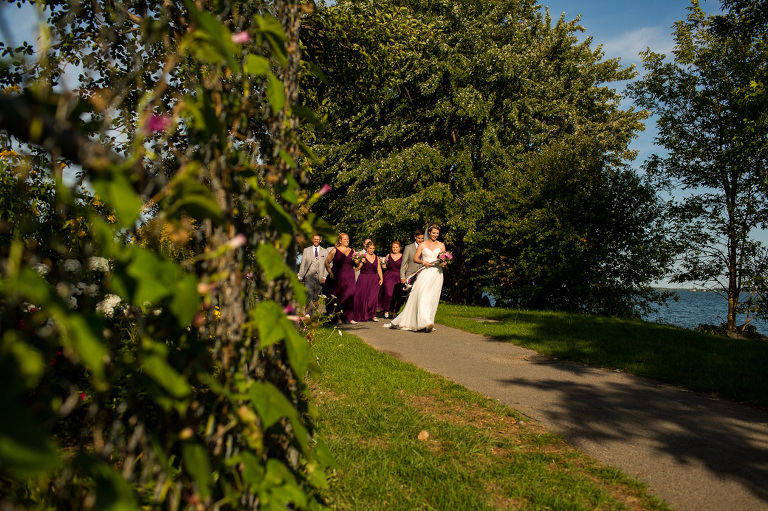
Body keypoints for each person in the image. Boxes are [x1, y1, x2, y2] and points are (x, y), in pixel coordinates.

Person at [385, 224, 446, 332]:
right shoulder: (423, 245)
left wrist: (445, 262)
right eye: (433, 233)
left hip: (437, 273)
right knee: (423, 296)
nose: (435, 235)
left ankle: (429, 321)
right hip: (426, 273)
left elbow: (443, 259)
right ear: (429, 233)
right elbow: (415, 259)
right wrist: (424, 262)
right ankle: (424, 322)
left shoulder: (441, 245)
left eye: (437, 233)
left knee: (433, 298)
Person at [324, 233, 356, 323]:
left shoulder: (353, 251)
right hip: (337, 276)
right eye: (345, 239)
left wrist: (358, 262)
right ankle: (338, 318)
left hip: (350, 276)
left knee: (349, 295)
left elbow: (356, 266)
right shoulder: (335, 250)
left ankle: (349, 317)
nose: (347, 240)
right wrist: (330, 272)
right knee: (337, 297)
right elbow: (327, 262)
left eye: (348, 239)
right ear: (340, 241)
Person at [392, 229, 424, 313]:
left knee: (419, 297)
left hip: (422, 275)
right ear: (415, 237)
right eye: (419, 238)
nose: (421, 240)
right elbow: (404, 263)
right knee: (408, 297)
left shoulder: (425, 247)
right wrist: (403, 276)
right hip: (410, 275)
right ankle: (407, 315)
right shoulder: (408, 248)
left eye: (422, 238)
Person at [351, 240, 383, 323]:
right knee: (362, 297)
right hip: (364, 278)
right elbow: (357, 268)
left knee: (373, 297)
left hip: (374, 279)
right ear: (367, 248)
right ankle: (362, 314)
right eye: (370, 248)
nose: (372, 250)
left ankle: (372, 314)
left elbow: (379, 268)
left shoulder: (376, 257)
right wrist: (361, 262)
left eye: (373, 248)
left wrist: (381, 278)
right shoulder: (363, 256)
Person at [297, 234, 328, 316]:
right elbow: (303, 264)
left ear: (320, 241)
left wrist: (324, 276)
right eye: (315, 239)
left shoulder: (324, 251)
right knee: (308, 293)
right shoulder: (306, 250)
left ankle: (314, 313)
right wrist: (300, 276)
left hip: (320, 276)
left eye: (318, 239)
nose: (316, 240)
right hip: (309, 276)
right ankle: (308, 313)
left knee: (316, 295)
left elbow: (328, 265)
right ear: (312, 240)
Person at [378, 241, 403, 319]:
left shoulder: (403, 256)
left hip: (399, 277)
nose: (395, 249)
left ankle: (395, 311)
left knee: (397, 295)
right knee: (389, 294)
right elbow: (384, 267)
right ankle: (386, 310)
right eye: (393, 247)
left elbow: (405, 267)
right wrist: (383, 264)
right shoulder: (388, 255)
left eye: (396, 247)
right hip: (389, 276)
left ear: (399, 248)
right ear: (391, 248)